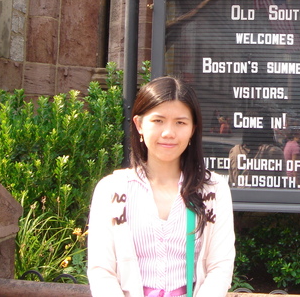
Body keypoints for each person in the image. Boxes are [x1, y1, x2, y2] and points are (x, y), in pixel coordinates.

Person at [87, 76, 235, 297]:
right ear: (139, 124)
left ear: (193, 128)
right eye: (158, 121)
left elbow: (220, 267)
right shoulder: (111, 190)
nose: (169, 133)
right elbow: (101, 270)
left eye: (180, 122)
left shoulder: (213, 190)